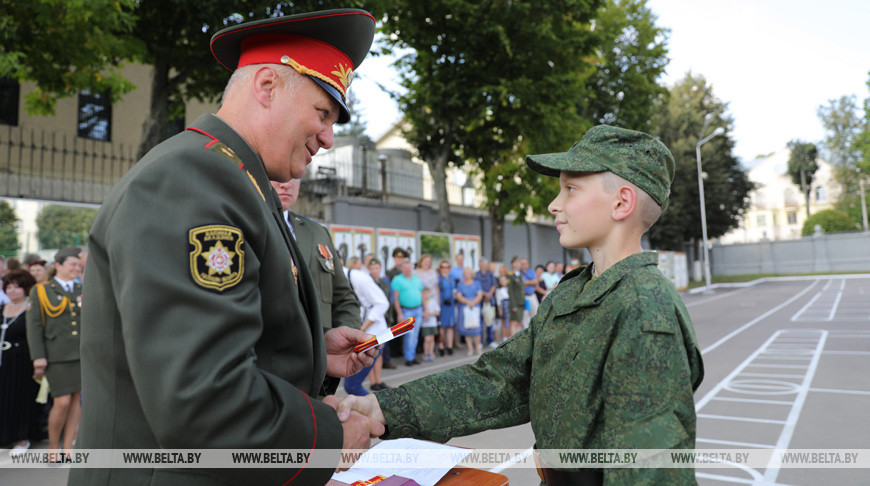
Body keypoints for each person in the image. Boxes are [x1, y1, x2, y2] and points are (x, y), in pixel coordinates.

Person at [68, 10, 383, 486]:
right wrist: (328, 439)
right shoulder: (194, 180)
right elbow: (202, 398)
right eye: (322, 113)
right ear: (266, 86)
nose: (327, 137)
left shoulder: (236, 181)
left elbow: (223, 343)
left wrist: (313, 352)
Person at [334, 125, 705, 485]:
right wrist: (384, 408)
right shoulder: (573, 291)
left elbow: (652, 469)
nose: (554, 204)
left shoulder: (644, 308)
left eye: (570, 189)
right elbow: (503, 378)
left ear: (622, 202)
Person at [271, 178, 361, 330]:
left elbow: (344, 298)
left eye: (294, 176)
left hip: (321, 350)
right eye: (277, 176)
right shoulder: (244, 227)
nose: (285, 184)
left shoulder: (318, 233)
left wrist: (346, 337)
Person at [25, 247, 82, 460]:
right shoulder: (41, 291)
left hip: (79, 354)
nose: (77, 268)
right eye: (72, 264)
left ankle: (68, 447)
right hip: (56, 355)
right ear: (58, 265)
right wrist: (38, 356)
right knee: (63, 401)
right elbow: (35, 326)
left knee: (77, 400)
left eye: (78, 264)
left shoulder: (81, 289)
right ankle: (52, 447)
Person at [1, 270, 41, 457]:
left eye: (17, 287)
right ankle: (5, 436)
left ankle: (22, 438)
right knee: (4, 398)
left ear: (25, 289)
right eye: (9, 287)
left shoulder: (32, 309)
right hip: (3, 360)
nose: (12, 290)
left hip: (22, 360)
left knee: (21, 397)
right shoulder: (2, 307)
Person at [342, 257, 389, 395]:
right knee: (351, 386)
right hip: (362, 335)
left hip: (374, 334)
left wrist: (362, 329)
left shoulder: (359, 277)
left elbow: (382, 303)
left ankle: (381, 411)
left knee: (352, 386)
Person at [391, 260, 425, 366]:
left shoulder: (416, 278)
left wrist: (426, 309)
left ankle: (412, 356)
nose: (408, 269)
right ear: (401, 268)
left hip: (418, 309)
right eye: (405, 267)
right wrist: (399, 313)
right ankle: (408, 358)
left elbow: (422, 295)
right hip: (406, 310)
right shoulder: (397, 280)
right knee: (409, 335)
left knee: (415, 335)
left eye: (409, 267)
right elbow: (395, 299)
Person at [368, 258, 396, 371]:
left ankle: (385, 363)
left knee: (384, 344)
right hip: (373, 318)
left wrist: (390, 318)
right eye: (372, 268)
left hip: (385, 317)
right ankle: (372, 375)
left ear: (380, 268)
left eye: (376, 268)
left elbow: (388, 300)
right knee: (374, 346)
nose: (374, 270)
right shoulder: (368, 282)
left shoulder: (384, 283)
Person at [454, 267, 483, 356]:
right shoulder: (460, 284)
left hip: (475, 307)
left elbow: (480, 294)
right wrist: (468, 302)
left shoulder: (477, 283)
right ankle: (470, 348)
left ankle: (477, 347)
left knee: (477, 329)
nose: (466, 274)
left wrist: (473, 302)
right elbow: (459, 296)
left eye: (468, 272)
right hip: (465, 308)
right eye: (465, 272)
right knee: (467, 329)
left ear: (471, 273)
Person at [474, 257, 497, 347]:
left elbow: (494, 285)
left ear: (486, 264)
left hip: (490, 299)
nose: (482, 265)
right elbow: (476, 287)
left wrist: (489, 294)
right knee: (480, 321)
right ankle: (480, 342)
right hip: (480, 300)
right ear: (479, 265)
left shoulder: (490, 274)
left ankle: (490, 340)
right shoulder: (476, 275)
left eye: (483, 263)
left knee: (489, 320)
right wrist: (484, 294)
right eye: (480, 263)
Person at [435, 259, 455, 356]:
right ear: (440, 268)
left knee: (450, 326)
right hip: (441, 305)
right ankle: (441, 346)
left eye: (447, 267)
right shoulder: (438, 278)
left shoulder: (451, 277)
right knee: (442, 327)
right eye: (443, 267)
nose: (445, 269)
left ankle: (450, 347)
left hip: (450, 305)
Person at [506, 256, 526, 338]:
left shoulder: (519, 275)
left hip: (521, 302)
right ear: (512, 264)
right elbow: (510, 292)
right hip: (515, 302)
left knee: (518, 322)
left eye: (519, 263)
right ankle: (513, 341)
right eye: (516, 262)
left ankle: (517, 340)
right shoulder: (510, 275)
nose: (518, 264)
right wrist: (513, 305)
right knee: (513, 322)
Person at [419, 287, 440, 361]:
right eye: (425, 294)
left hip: (432, 324)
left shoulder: (433, 302)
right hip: (425, 324)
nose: (427, 295)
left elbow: (437, 312)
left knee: (432, 339)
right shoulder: (421, 303)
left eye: (428, 293)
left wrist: (430, 313)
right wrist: (424, 313)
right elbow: (420, 313)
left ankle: (431, 353)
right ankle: (425, 353)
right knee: (427, 339)